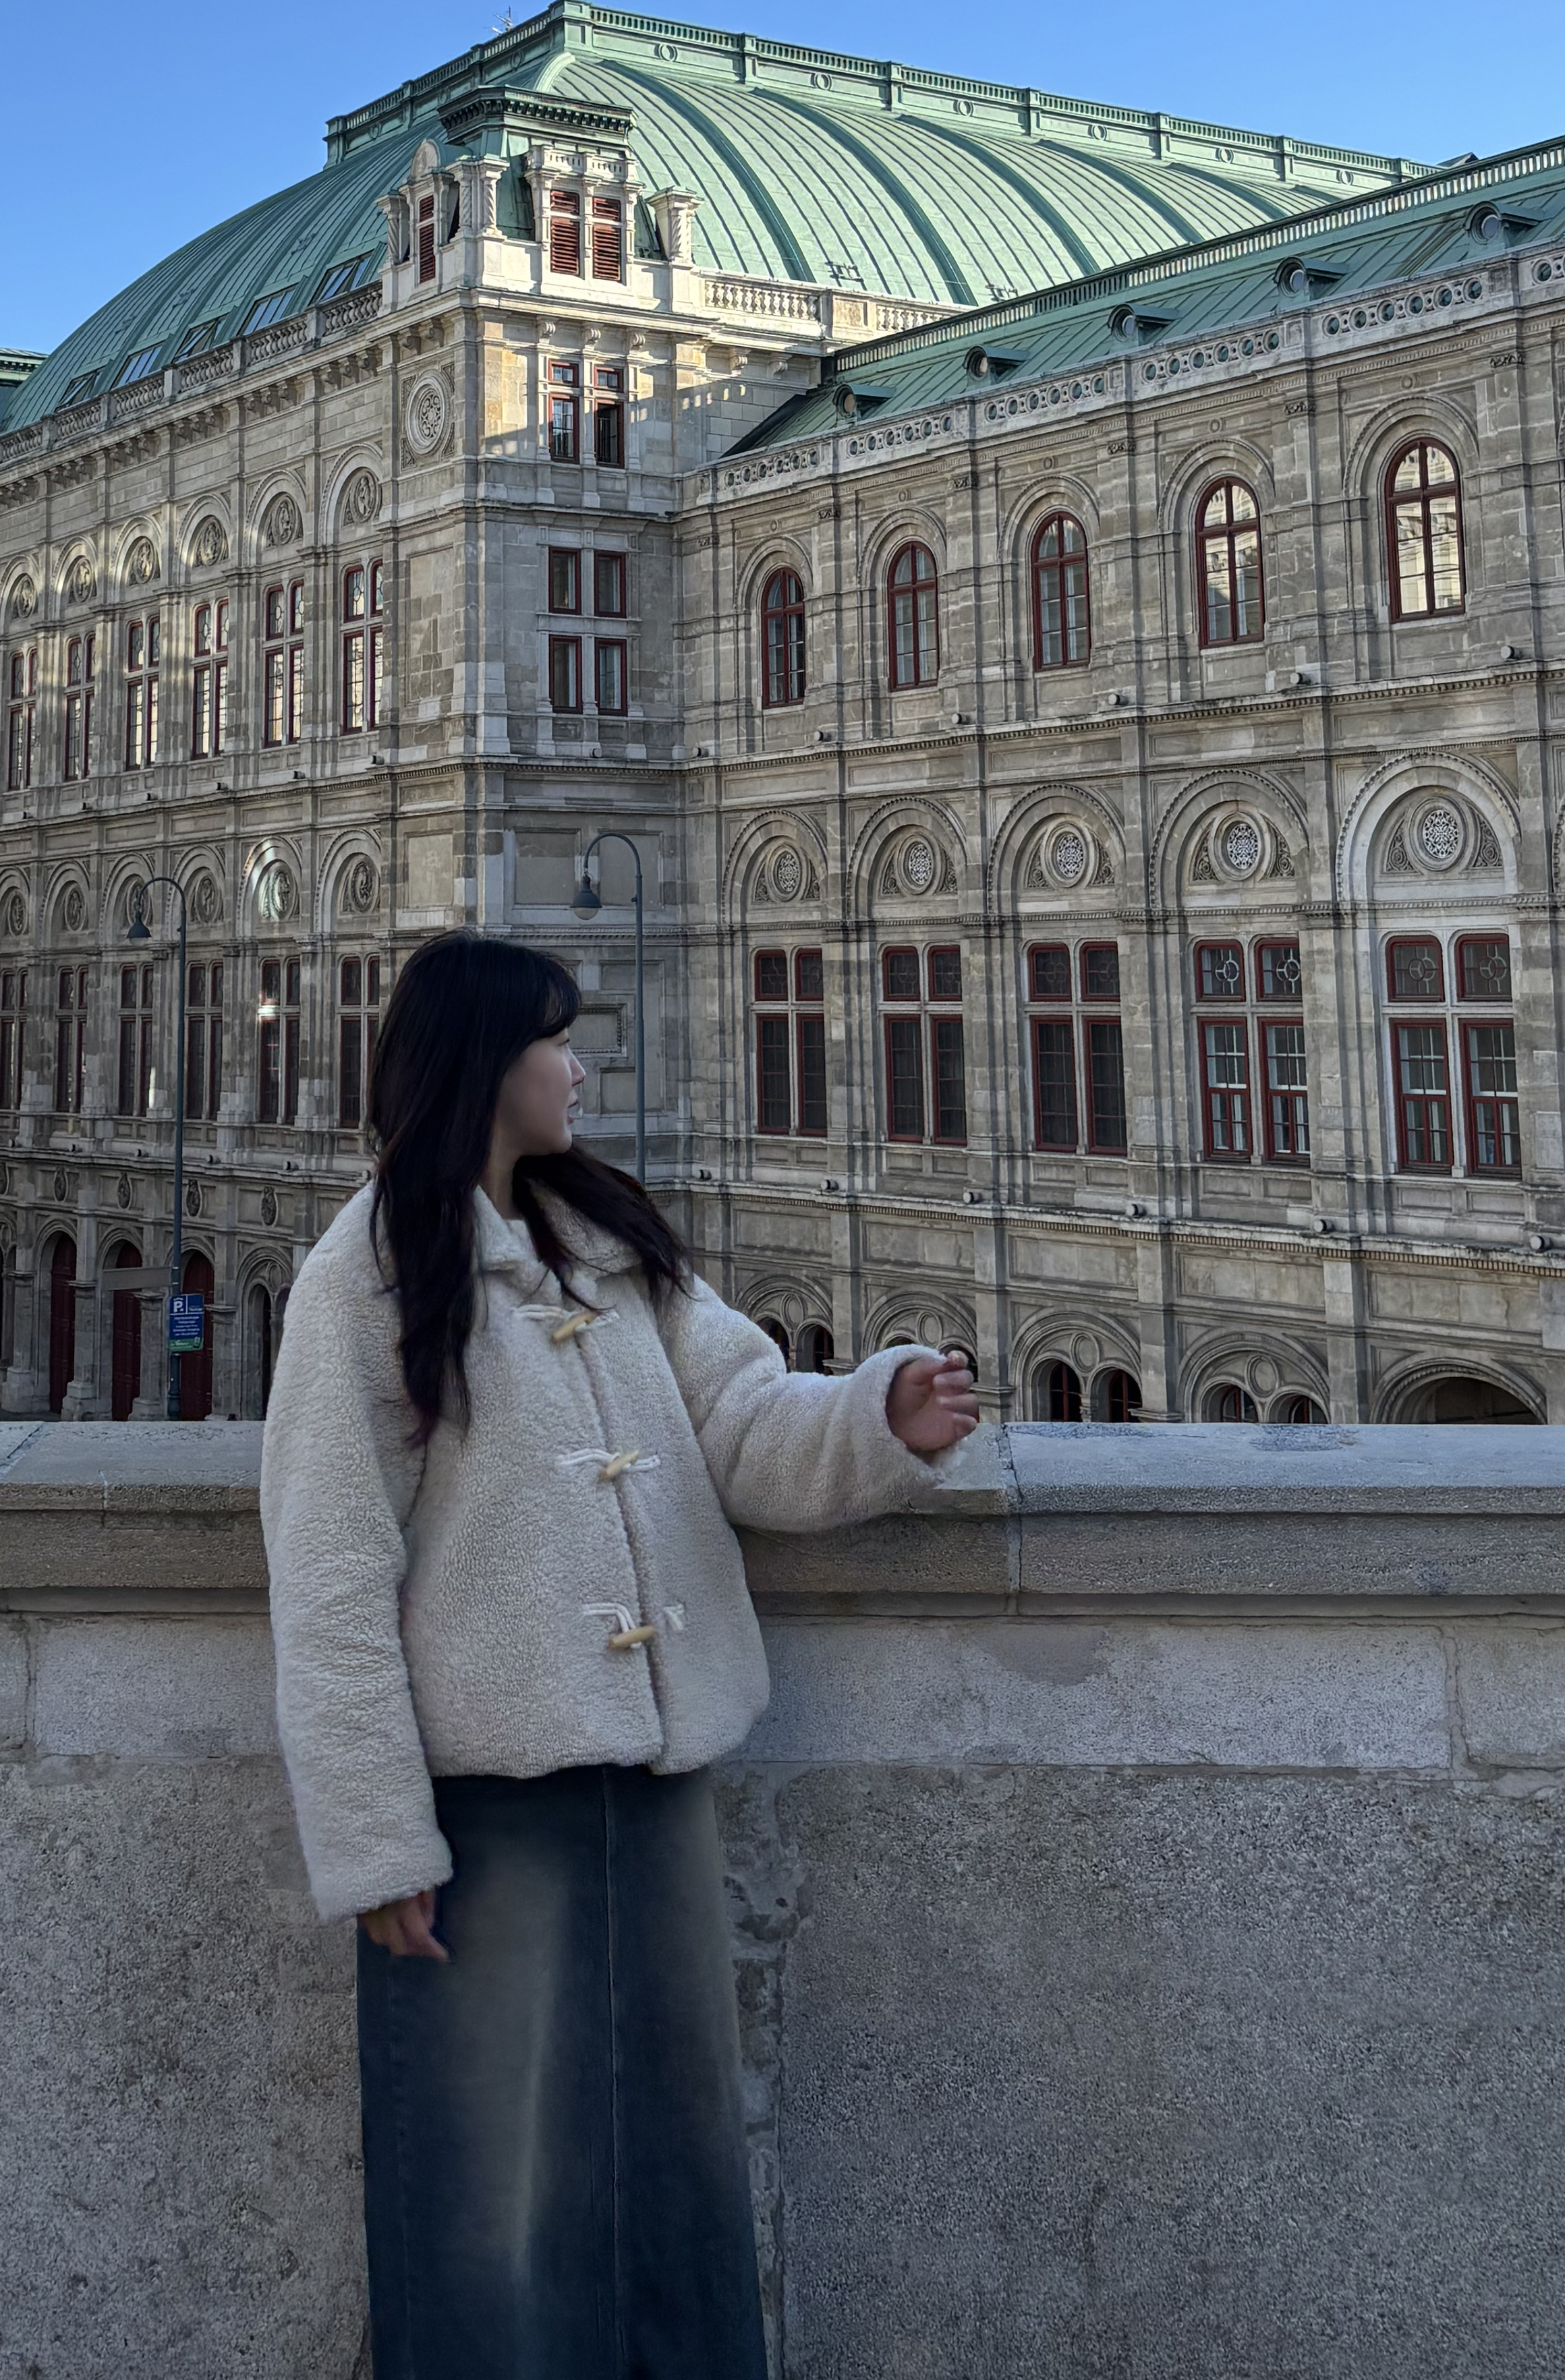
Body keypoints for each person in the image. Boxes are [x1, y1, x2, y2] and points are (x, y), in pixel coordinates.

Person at [261, 933, 977, 2380]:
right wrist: (377, 1840)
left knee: (675, 2167)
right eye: (557, 1042)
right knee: (491, 2193)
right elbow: (331, 1571)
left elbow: (742, 1423)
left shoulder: (609, 1240)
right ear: (487, 1064)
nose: (580, 1068)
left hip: (651, 1786)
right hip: (490, 1812)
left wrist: (875, 1418)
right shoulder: (363, 1279)